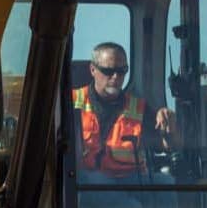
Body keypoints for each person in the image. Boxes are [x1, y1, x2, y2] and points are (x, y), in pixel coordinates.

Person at [72, 41, 178, 180]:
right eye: (108, 71)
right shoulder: (71, 100)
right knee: (99, 182)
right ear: (93, 69)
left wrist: (169, 129)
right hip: (87, 186)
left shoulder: (139, 108)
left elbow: (166, 146)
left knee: (166, 182)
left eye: (122, 71)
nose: (116, 77)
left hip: (130, 180)